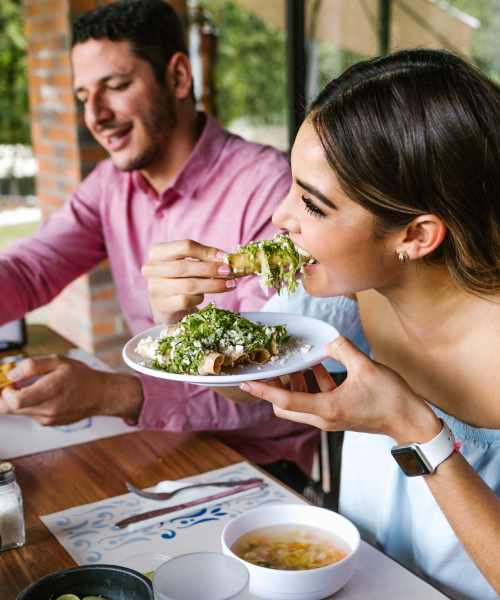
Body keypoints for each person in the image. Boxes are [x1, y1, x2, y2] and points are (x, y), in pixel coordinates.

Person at [0, 0, 318, 488]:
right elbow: (29, 269)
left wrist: (113, 394)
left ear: (178, 77)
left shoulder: (268, 189)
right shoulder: (109, 185)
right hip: (157, 444)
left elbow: (277, 389)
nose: (96, 116)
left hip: (261, 471)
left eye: (117, 86)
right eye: (83, 95)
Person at [226, 49, 500, 599]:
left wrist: (415, 430)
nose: (281, 219)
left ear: (417, 236)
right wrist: (180, 320)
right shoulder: (352, 296)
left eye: (313, 205)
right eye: (292, 185)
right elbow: (242, 388)